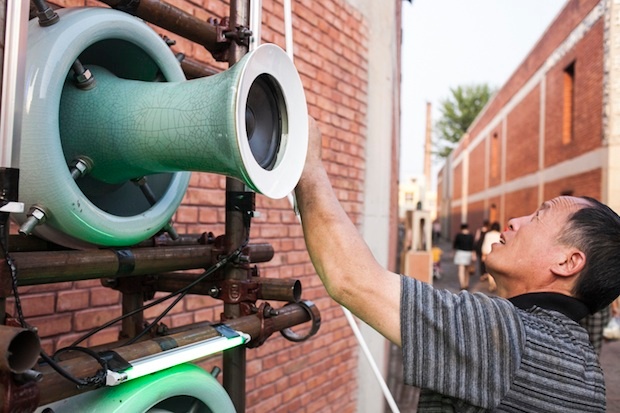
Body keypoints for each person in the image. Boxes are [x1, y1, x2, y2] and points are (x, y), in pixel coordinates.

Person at [294, 118, 620, 412]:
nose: (515, 221)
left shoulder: (508, 337)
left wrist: (309, 165)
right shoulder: (590, 377)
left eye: (538, 216)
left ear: (567, 262)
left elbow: (351, 279)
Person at [480, 221, 501, 292]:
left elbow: (485, 244)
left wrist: (483, 253)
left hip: (489, 253)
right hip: (498, 254)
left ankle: (491, 284)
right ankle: (494, 283)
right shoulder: (500, 234)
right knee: (496, 270)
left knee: (489, 270)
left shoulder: (488, 234)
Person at [452, 223, 475, 290]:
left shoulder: (458, 235)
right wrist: (473, 254)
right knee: (467, 270)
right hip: (468, 253)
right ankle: (466, 283)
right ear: (467, 228)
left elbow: (455, 245)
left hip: (460, 253)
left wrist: (453, 253)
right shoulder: (471, 236)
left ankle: (462, 284)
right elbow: (473, 246)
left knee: (461, 269)